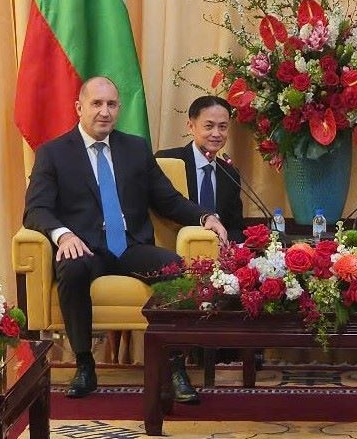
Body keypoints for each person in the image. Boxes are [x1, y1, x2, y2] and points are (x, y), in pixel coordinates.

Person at [23, 76, 228, 402]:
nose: (104, 111)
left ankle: (175, 366)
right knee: (71, 268)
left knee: (175, 267)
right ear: (79, 107)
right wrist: (63, 236)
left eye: (111, 104)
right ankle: (85, 365)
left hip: (130, 247)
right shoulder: (54, 153)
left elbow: (168, 200)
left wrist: (205, 217)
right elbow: (36, 210)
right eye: (96, 103)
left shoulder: (135, 148)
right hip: (86, 247)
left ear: (118, 109)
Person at [155, 95, 245, 242]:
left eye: (222, 127)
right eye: (209, 126)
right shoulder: (168, 161)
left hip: (218, 255)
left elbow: (235, 227)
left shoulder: (230, 173)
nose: (216, 134)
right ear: (191, 126)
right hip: (175, 250)